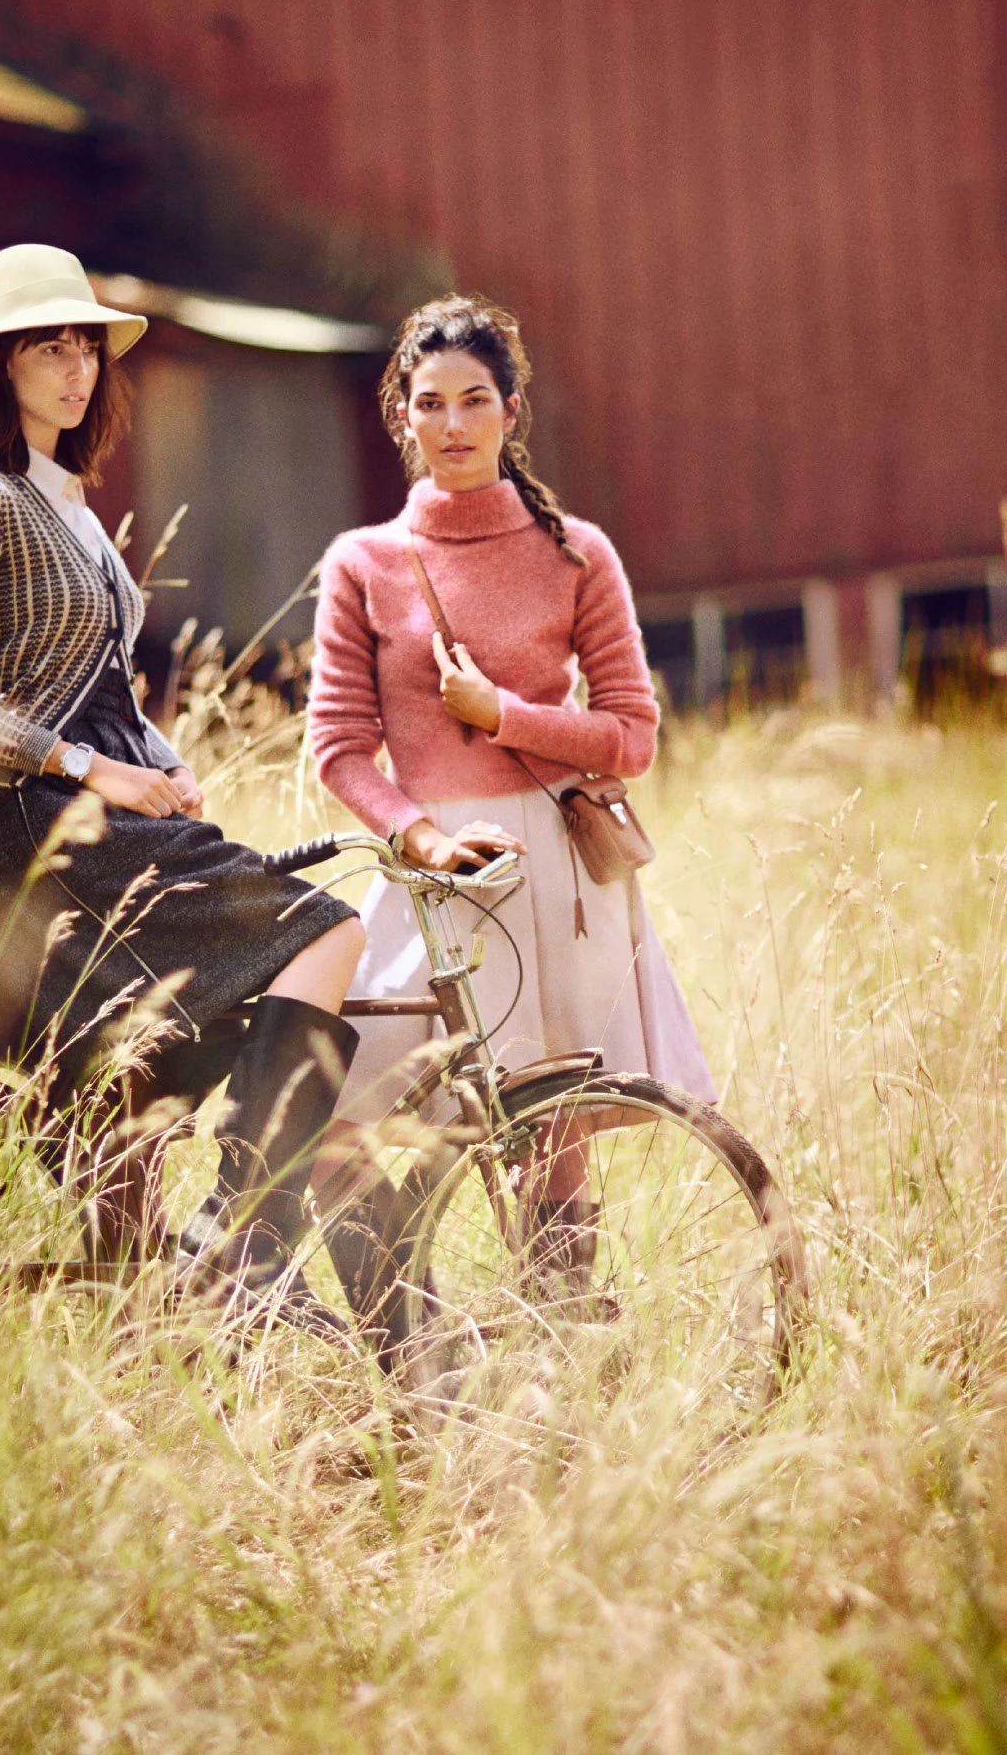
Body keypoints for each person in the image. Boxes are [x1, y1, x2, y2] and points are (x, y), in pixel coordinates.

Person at [0, 243, 365, 1300]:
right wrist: (88, 771)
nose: (76, 369)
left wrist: (163, 765)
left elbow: (100, 687)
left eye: (86, 349)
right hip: (35, 833)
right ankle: (241, 1232)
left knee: (202, 1035)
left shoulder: (72, 505)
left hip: (108, 819)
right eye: (47, 348)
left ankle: (169, 1271)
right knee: (329, 929)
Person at [308, 294, 714, 1286]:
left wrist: (502, 716)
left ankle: (566, 1348)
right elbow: (339, 746)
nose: (453, 425)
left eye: (475, 400)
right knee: (344, 1119)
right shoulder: (363, 564)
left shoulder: (578, 552)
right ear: (400, 412)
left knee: (551, 1131)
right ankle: (411, 1344)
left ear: (511, 410)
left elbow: (631, 737)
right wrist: (417, 837)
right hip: (433, 869)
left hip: (557, 876)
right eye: (431, 402)